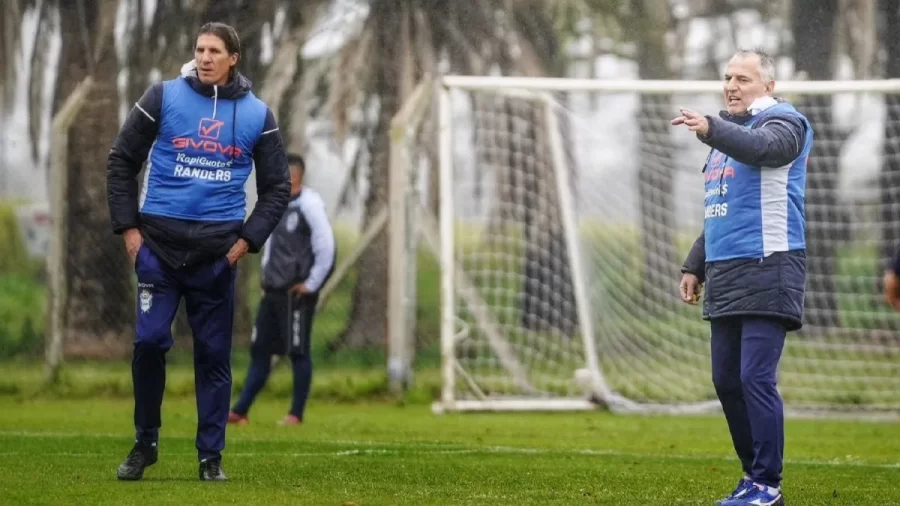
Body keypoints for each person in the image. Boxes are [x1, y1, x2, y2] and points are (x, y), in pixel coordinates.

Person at [106, 22, 291, 482]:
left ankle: (211, 458)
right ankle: (144, 443)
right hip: (158, 252)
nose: (205, 57)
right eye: (199, 49)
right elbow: (121, 160)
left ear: (234, 59)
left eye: (214, 51)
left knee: (213, 357)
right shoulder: (162, 97)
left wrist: (245, 243)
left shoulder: (257, 116)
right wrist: (130, 230)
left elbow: (276, 188)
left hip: (217, 259)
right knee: (148, 343)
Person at [673, 48, 813, 506]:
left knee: (755, 377)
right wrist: (695, 265)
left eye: (743, 78)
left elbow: (766, 150)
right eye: (727, 76)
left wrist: (712, 128)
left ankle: (768, 485)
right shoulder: (724, 143)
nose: (731, 85)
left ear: (768, 87)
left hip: (770, 266)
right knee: (726, 380)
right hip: (726, 271)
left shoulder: (785, 123)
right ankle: (752, 479)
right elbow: (720, 211)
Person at [228, 154, 336, 426]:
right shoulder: (276, 204)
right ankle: (240, 411)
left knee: (298, 352)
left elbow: (327, 249)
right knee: (260, 351)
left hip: (296, 294)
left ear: (296, 175)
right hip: (273, 291)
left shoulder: (309, 205)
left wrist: (311, 284)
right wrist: (266, 280)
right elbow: (271, 247)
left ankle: (295, 414)